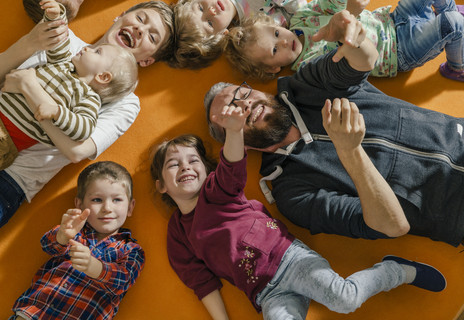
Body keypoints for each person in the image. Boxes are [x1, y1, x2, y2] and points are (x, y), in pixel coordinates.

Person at [205, 11, 464, 248]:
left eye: (241, 93)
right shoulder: (292, 194)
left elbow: (365, 60)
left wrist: (351, 39)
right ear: (237, 143)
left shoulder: (306, 85)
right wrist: (350, 152)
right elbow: (393, 225)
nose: (244, 105)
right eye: (230, 113)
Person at [149, 122, 445, 318]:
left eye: (192, 161)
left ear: (206, 170)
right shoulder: (178, 233)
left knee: (344, 299)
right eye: (174, 164)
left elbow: (232, 165)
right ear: (162, 184)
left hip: (290, 260)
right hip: (264, 292)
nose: (185, 167)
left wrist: (235, 130)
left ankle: (396, 271)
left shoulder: (218, 191)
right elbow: (201, 282)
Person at [0, 0, 174, 237]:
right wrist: (30, 42)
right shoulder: (63, 41)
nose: (139, 30)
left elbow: (76, 150)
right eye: (141, 19)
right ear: (121, 16)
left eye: (152, 37)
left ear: (147, 60)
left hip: (6, 182)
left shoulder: (125, 101)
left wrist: (30, 89)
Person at [0, 0, 138, 171]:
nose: (88, 49)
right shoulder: (66, 64)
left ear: (102, 76)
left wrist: (57, 112)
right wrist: (57, 14)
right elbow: (60, 43)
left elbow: (83, 128)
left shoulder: (88, 98)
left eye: (97, 52)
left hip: (2, 136)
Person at [9, 161, 145, 320]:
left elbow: (122, 281)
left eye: (117, 200)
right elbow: (48, 245)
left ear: (130, 207)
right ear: (79, 204)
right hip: (32, 313)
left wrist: (92, 266)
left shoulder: (131, 250)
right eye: (97, 200)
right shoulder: (75, 230)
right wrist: (62, 235)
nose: (107, 207)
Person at [224, 0, 464, 81]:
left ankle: (452, 27)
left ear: (277, 25)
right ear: (274, 68)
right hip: (399, 51)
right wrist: (342, 31)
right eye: (275, 50)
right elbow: (348, 64)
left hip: (394, 19)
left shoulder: (300, 18)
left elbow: (332, 5)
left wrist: (348, 5)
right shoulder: (307, 68)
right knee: (452, 23)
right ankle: (455, 66)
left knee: (451, 20)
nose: (284, 42)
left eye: (277, 34)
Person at [170, 0, 307, 69]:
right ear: (221, 35)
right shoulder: (256, 29)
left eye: (200, 8)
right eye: (210, 23)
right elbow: (297, 14)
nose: (211, 11)